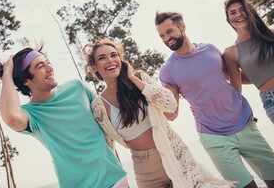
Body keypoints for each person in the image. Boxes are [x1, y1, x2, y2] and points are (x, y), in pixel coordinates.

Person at [84, 38, 233, 188]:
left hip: (174, 154)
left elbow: (170, 105)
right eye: (102, 58)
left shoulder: (139, 79)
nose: (110, 60)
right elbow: (109, 148)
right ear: (94, 67)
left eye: (114, 55)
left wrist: (133, 79)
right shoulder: (98, 106)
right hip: (145, 171)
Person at [155, 11, 274, 188]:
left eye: (169, 31)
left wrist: (267, 81)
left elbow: (236, 77)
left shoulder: (210, 49)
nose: (167, 38)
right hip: (214, 137)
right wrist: (148, 92)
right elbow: (171, 114)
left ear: (182, 26)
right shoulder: (168, 71)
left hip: (245, 124)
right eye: (162, 35)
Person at [0, 45, 128, 188]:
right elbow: (11, 117)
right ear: (25, 80)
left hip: (115, 180)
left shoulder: (77, 87)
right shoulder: (32, 114)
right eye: (41, 66)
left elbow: (107, 123)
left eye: (48, 62)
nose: (49, 68)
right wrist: (7, 73)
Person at [223, 0, 274, 124]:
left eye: (242, 10)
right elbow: (236, 91)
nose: (239, 14)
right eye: (232, 13)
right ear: (228, 20)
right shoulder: (230, 53)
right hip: (271, 100)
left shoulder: (271, 34)